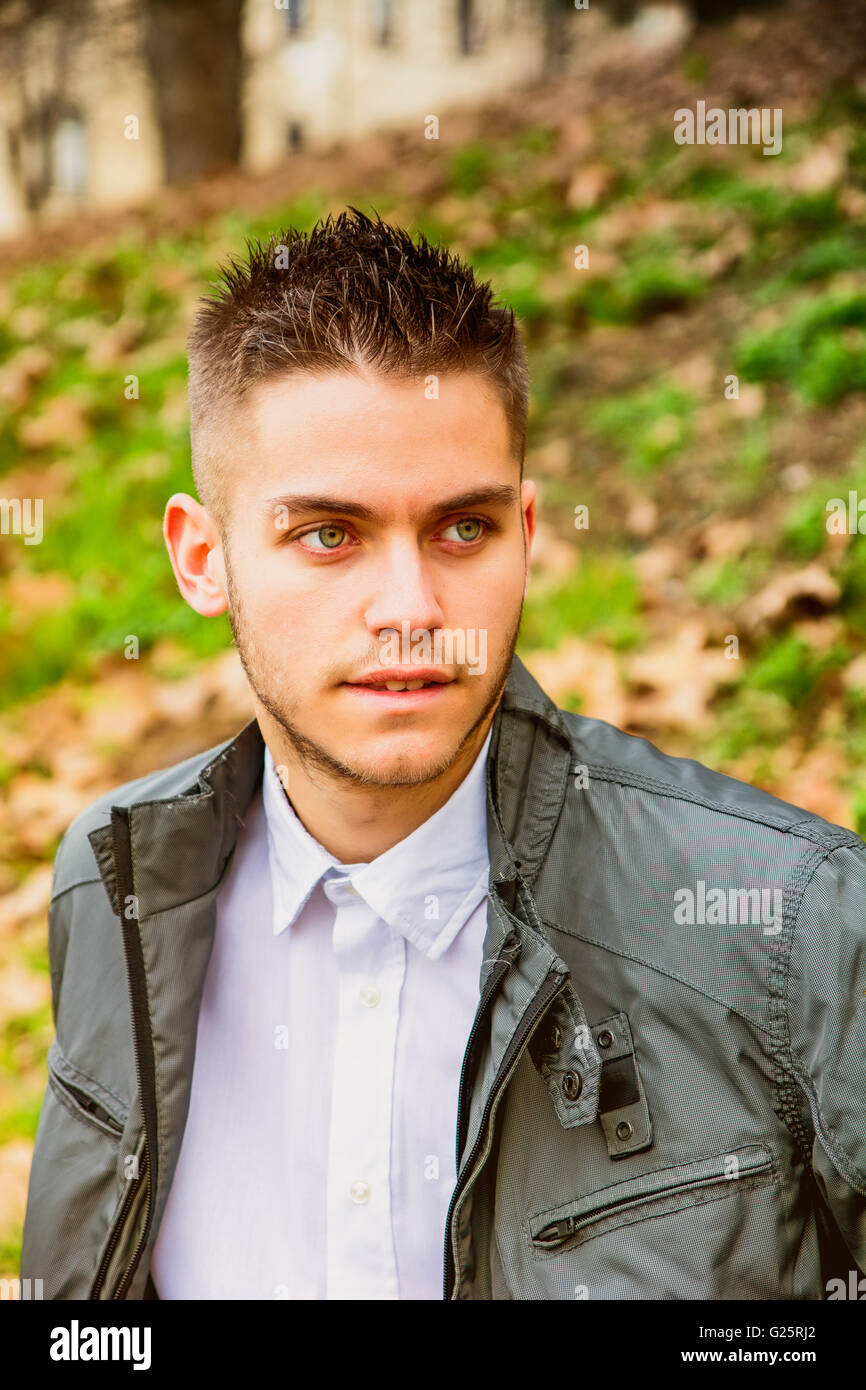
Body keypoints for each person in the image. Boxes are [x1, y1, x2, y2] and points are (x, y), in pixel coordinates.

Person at [21, 208, 865, 1300]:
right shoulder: (120, 884)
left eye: (462, 529)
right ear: (202, 558)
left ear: (526, 532)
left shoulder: (792, 924)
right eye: (329, 534)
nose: (411, 609)